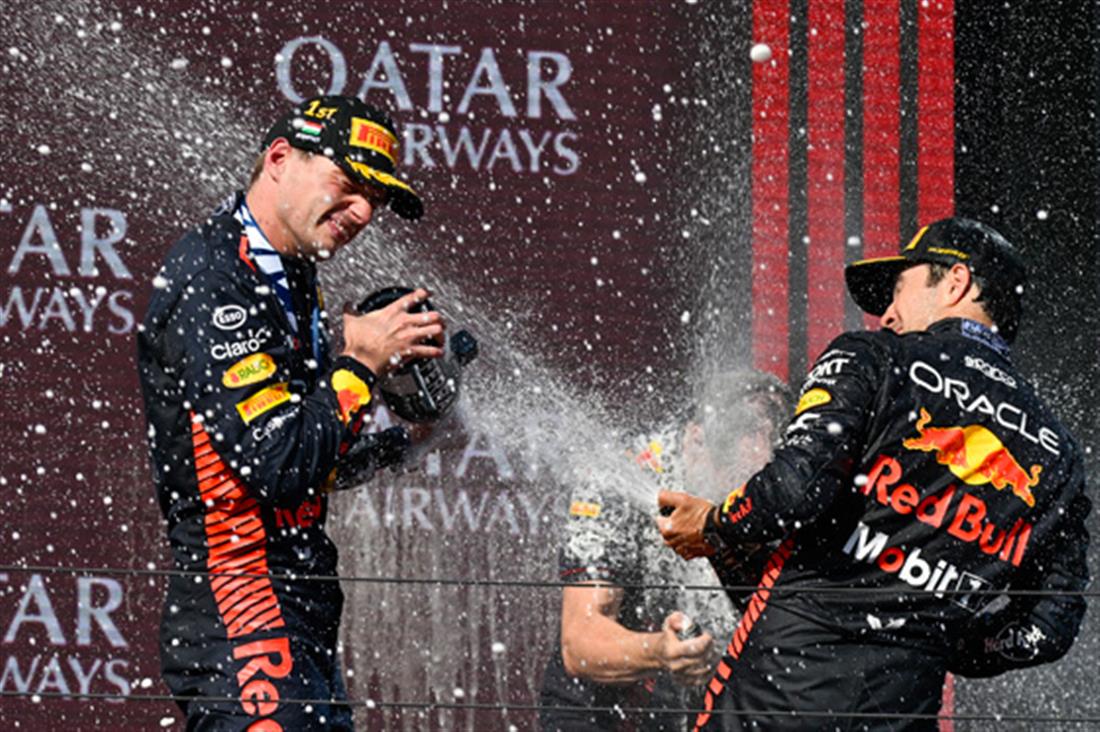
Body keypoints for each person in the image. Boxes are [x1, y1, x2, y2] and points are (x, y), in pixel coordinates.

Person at [658, 218, 1091, 731]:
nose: (887, 314)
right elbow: (1048, 626)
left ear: (956, 282)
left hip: (771, 707)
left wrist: (714, 523)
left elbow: (794, 490)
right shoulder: (1058, 453)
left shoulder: (872, 356)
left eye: (899, 289)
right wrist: (943, 639)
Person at [137, 95, 444, 730]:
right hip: (242, 604)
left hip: (295, 610)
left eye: (376, 199)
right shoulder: (216, 276)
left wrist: (409, 439)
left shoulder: (290, 274)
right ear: (280, 159)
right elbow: (276, 463)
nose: (364, 212)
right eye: (349, 184)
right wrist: (359, 364)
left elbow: (309, 463)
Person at [539, 371, 791, 731]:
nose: (761, 456)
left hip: (704, 704)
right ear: (697, 439)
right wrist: (660, 650)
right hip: (601, 712)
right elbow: (580, 642)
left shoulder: (783, 484)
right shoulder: (619, 480)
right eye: (737, 479)